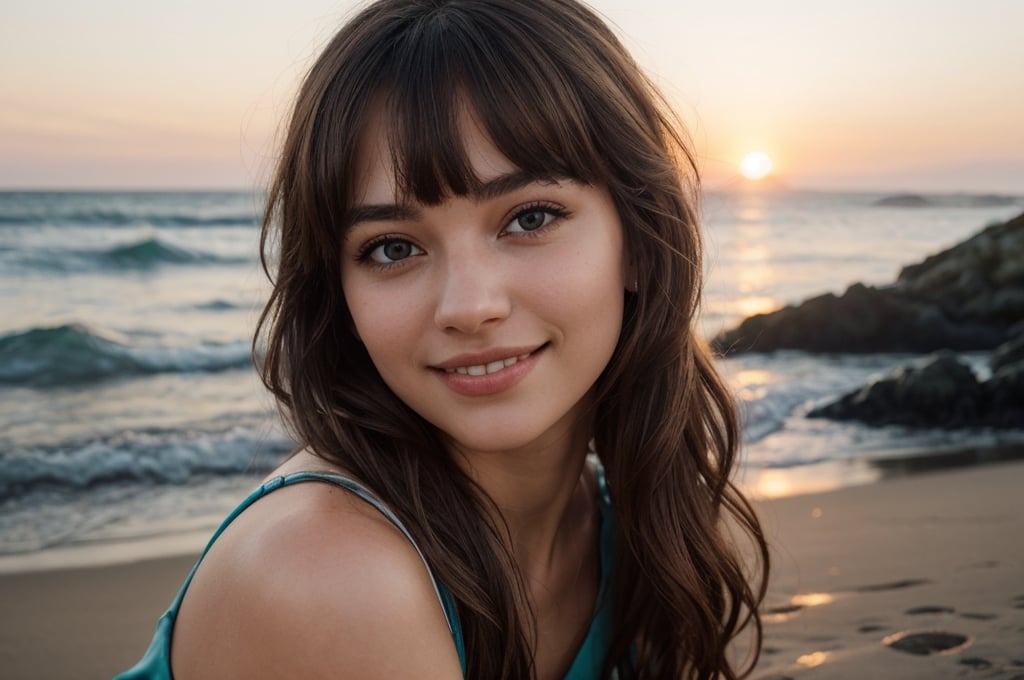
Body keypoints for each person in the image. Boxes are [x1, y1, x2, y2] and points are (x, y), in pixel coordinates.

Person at [117, 0, 768, 678]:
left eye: (530, 216)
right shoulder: (329, 571)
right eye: (393, 247)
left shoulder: (627, 525)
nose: (469, 306)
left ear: (638, 237)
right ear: (339, 291)